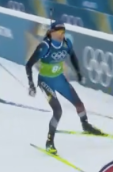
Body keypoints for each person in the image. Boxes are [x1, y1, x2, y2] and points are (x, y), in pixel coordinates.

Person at [25, 22, 104, 154]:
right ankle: (49, 142)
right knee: (58, 111)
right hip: (45, 82)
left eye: (63, 32)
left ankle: (85, 125)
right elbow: (28, 65)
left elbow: (73, 56)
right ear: (52, 32)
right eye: (60, 32)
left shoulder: (66, 44)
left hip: (59, 79)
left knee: (79, 103)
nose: (62, 35)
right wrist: (31, 85)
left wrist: (78, 73)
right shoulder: (45, 46)